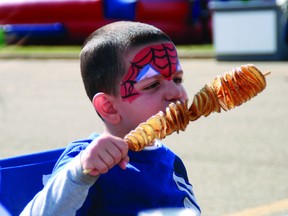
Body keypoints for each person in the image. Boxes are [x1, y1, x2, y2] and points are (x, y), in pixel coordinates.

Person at [21, 21, 201, 216]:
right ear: (109, 107)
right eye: (152, 85)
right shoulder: (88, 161)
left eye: (177, 79)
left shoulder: (172, 163)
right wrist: (79, 174)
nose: (176, 92)